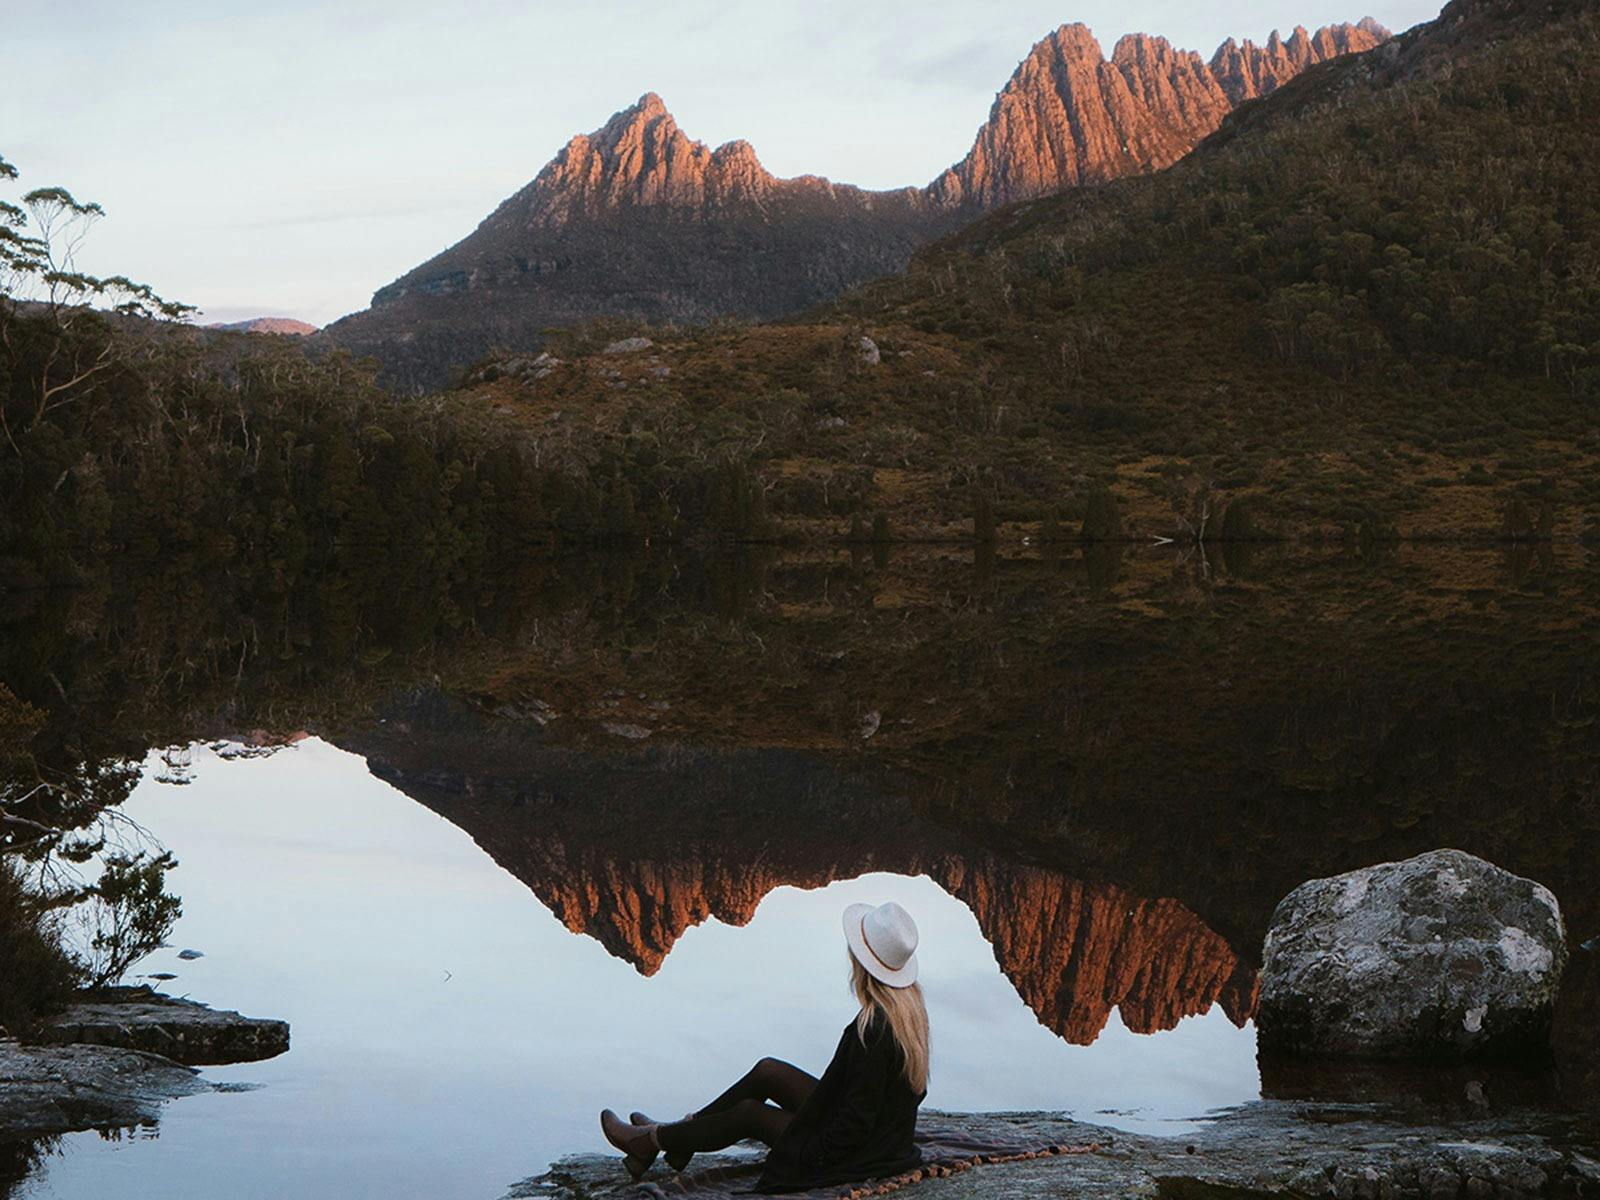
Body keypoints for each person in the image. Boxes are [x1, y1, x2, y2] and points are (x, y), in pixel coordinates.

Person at [599, 900, 930, 1192]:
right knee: (768, 1071)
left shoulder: (872, 1029)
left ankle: (651, 1141)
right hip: (884, 1140)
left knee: (748, 1115)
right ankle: (684, 1133)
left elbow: (856, 1123)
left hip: (861, 1154)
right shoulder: (908, 1011)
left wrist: (808, 1156)